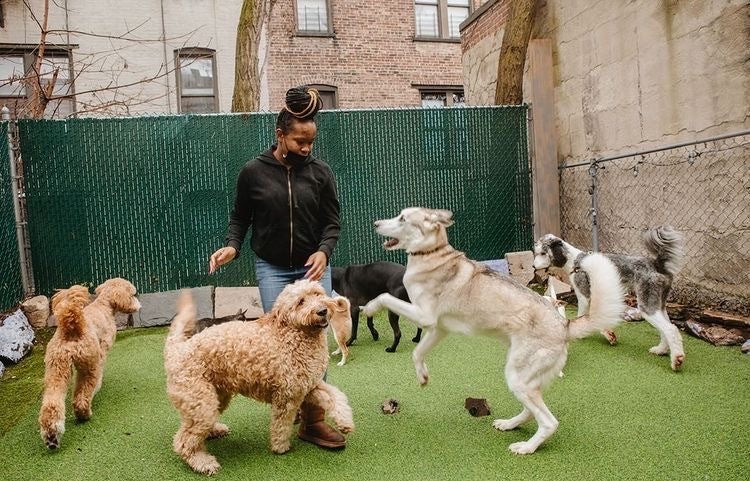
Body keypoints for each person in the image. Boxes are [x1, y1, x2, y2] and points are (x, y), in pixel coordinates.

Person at [208, 86, 345, 449]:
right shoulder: (253, 171)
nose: (306, 148)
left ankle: (312, 422)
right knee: (283, 345)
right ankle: (291, 405)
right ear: (280, 134)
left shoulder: (320, 172)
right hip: (271, 268)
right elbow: (240, 217)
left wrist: (324, 252)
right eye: (300, 141)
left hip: (313, 271)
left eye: (311, 142)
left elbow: (332, 222)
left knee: (314, 344)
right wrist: (232, 247)